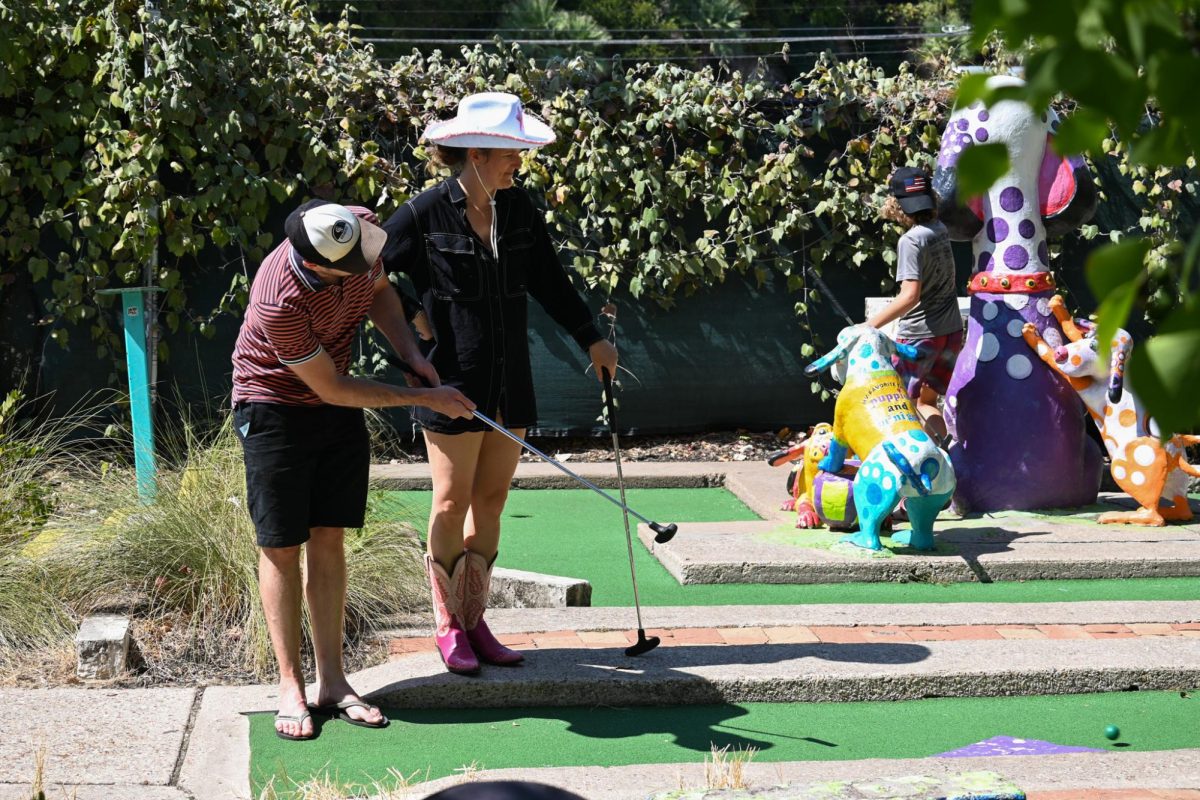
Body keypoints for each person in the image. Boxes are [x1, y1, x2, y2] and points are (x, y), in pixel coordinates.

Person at [381, 92, 618, 675]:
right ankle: (446, 626)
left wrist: (592, 335)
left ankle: (473, 619)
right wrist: (414, 326)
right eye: (513, 151)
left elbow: (552, 281)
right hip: (451, 381)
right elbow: (368, 271)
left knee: (491, 501)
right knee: (450, 498)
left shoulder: (518, 210)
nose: (521, 162)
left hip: (510, 380)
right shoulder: (423, 212)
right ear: (478, 153)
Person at [232, 199, 475, 740]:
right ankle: (290, 686)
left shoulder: (351, 228)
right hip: (274, 408)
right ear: (320, 266)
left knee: (329, 535)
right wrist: (430, 398)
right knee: (279, 544)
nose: (370, 261)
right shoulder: (280, 298)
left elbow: (382, 293)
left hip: (332, 411)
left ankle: (334, 682)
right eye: (356, 264)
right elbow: (334, 388)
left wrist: (412, 355)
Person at [866, 166, 962, 445]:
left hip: (920, 336)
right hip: (951, 333)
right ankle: (946, 459)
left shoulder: (911, 241)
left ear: (895, 205)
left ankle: (911, 466)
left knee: (898, 404)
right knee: (926, 401)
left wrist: (867, 327)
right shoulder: (940, 229)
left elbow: (910, 296)